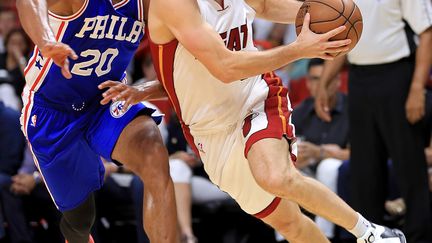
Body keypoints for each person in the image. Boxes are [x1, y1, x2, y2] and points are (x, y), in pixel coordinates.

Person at [99, 0, 406, 242]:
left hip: (254, 98)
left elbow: (264, 6)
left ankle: (372, 233)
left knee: (276, 176)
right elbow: (220, 66)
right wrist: (299, 49)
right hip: (211, 133)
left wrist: (318, 16)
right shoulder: (175, 4)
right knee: (291, 224)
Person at [15, 0, 178, 242]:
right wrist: (46, 40)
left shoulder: (150, 5)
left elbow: (184, 71)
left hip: (106, 99)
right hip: (52, 111)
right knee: (81, 220)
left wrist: (143, 90)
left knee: (153, 153)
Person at [315, 1, 432, 242]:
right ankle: (371, 237)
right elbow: (344, 39)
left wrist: (418, 88)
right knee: (363, 169)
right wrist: (324, 83)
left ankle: (420, 236)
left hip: (398, 75)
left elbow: (427, 32)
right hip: (359, 78)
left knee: (410, 166)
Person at [292, 58, 350, 240]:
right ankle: (285, 236)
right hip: (309, 174)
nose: (320, 85)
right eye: (315, 79)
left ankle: (325, 235)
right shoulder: (301, 111)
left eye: (325, 78)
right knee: (283, 171)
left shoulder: (353, 108)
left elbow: (365, 153)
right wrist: (293, 157)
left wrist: (320, 152)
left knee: (328, 166)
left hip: (345, 176)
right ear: (308, 83)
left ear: (337, 80)